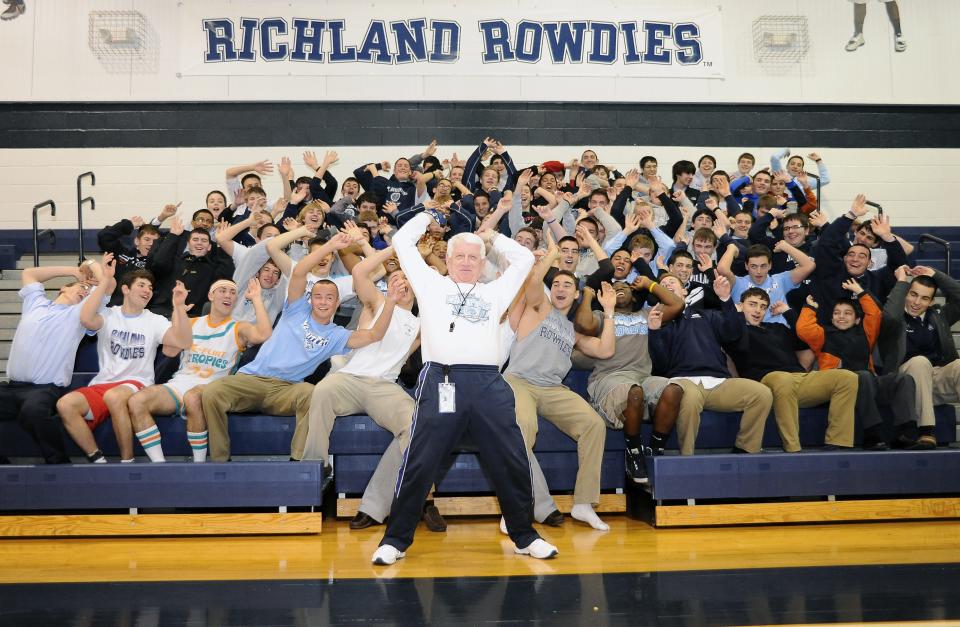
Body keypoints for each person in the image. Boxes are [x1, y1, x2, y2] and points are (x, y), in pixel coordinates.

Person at [372, 210, 557, 566]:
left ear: (483, 261)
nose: (468, 262)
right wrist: (429, 214)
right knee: (420, 462)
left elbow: (521, 258)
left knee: (513, 460)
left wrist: (491, 237)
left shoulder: (496, 292)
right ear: (448, 259)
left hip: (488, 383)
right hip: (443, 380)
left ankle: (525, 535)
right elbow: (401, 241)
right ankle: (395, 540)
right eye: (460, 256)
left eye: (475, 256)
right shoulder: (431, 284)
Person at [200, 232, 397, 462]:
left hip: (287, 389)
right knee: (212, 392)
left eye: (329, 298)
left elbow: (374, 334)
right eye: (318, 297)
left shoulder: (336, 335)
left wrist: (391, 302)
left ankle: (298, 464)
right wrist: (330, 245)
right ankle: (220, 462)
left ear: (337, 303)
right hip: (253, 380)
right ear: (310, 299)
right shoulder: (296, 308)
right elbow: (300, 271)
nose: (323, 301)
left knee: (311, 394)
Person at [299, 246, 428, 531]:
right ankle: (315, 471)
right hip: (351, 378)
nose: (402, 285)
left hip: (384, 386)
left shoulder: (421, 325)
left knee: (417, 425)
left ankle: (400, 500)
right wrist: (394, 249)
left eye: (408, 282)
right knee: (321, 391)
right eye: (397, 280)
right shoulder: (377, 302)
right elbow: (358, 271)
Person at [504, 240, 619, 531]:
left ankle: (582, 504)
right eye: (557, 283)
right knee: (525, 427)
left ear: (577, 294)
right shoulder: (539, 306)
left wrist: (608, 312)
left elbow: (605, 351)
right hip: (520, 382)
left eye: (568, 285)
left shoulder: (573, 331)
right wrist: (552, 254)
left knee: (594, 425)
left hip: (552, 389)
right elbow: (532, 283)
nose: (561, 288)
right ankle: (515, 507)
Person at [57, 258, 193, 463]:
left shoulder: (155, 320)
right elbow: (85, 319)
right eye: (141, 285)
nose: (147, 290)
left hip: (137, 383)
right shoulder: (109, 315)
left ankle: (126, 461)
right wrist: (105, 280)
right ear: (126, 289)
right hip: (103, 383)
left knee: (114, 396)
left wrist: (179, 307)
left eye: (150, 287)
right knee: (65, 404)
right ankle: (98, 459)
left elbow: (183, 341)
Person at [125, 279, 273, 462]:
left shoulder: (238, 327)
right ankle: (159, 465)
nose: (228, 295)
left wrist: (257, 298)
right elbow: (169, 351)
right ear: (211, 295)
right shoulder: (192, 323)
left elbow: (264, 334)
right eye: (222, 290)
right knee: (137, 401)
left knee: (192, 397)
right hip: (179, 385)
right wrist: (178, 308)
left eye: (232, 292)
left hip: (212, 387)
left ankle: (199, 464)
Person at [648, 275, 774, 455]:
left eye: (672, 282)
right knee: (688, 399)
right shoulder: (660, 321)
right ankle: (686, 458)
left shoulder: (708, 314)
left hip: (719, 382)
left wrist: (725, 299)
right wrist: (654, 332)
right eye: (663, 284)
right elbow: (660, 364)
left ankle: (745, 450)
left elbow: (733, 333)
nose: (667, 284)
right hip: (683, 381)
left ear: (684, 291)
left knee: (761, 393)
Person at [725, 288, 858, 452]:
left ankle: (838, 442)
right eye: (752, 304)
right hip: (766, 383)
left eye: (762, 306)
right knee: (782, 379)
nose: (758, 310)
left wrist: (787, 312)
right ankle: (793, 448)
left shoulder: (778, 328)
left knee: (847, 377)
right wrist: (736, 314)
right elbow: (732, 336)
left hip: (798, 379)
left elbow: (804, 338)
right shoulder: (737, 332)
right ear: (740, 306)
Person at [797, 280, 918, 450]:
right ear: (831, 318)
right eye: (837, 313)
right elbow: (804, 329)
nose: (841, 316)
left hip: (870, 385)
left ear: (857, 320)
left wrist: (860, 292)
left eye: (847, 313)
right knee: (862, 375)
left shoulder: (866, 333)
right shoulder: (823, 334)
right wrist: (810, 308)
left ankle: (907, 432)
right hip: (840, 390)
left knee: (903, 379)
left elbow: (875, 314)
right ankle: (873, 433)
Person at [0, 260, 98, 463]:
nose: (84, 293)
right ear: (63, 288)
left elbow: (106, 285)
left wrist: (93, 273)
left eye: (88, 292)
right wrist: (73, 271)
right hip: (12, 386)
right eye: (82, 288)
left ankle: (59, 462)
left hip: (44, 389)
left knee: (33, 412)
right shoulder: (35, 303)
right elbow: (29, 273)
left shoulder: (79, 315)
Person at [879, 266, 960, 449]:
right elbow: (890, 316)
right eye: (913, 294)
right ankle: (926, 432)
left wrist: (935, 274)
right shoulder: (893, 318)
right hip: (903, 384)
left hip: (933, 382)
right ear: (905, 294)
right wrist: (901, 281)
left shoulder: (938, 316)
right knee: (920, 362)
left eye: (924, 298)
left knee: (959, 366)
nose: (916, 302)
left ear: (931, 302)